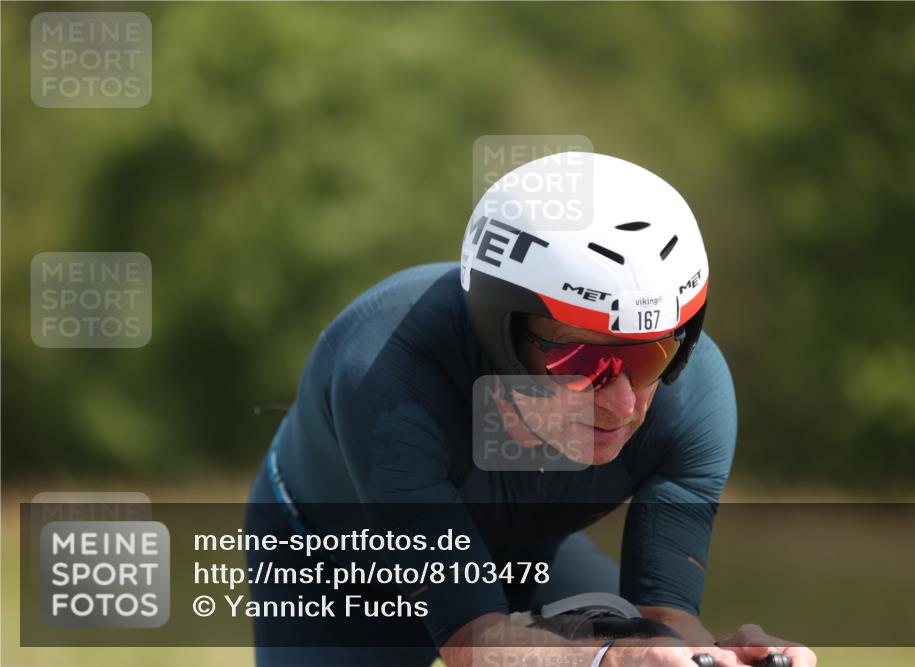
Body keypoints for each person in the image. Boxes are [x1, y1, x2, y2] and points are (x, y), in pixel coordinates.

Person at [244, 152, 817, 666]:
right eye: (583, 361)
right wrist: (612, 661)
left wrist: (709, 658)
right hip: (334, 573)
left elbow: (664, 619)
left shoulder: (695, 395)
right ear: (503, 333)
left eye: (653, 356)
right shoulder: (390, 372)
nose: (623, 404)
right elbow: (473, 640)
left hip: (525, 560)